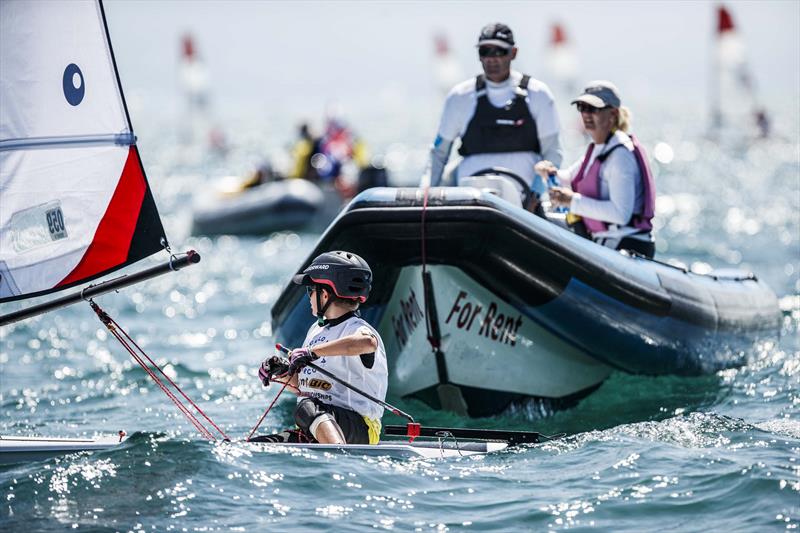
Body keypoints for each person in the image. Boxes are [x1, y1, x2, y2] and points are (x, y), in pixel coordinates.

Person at [423, 22, 563, 210]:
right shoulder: (459, 97)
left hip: (527, 204)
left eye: (499, 52)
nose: (492, 59)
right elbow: (439, 154)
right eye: (485, 51)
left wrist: (536, 195)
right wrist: (425, 195)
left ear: (513, 53)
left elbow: (552, 154)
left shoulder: (538, 94)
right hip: (469, 201)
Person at [256, 251, 388, 445]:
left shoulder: (358, 329)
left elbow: (367, 343)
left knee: (306, 407)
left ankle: (339, 456)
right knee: (261, 445)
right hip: (318, 423)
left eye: (310, 290)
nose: (309, 297)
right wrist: (282, 372)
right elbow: (305, 386)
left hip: (361, 428)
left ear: (324, 295)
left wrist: (312, 352)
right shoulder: (315, 331)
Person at [535, 81, 656, 258]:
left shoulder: (621, 156)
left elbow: (621, 214)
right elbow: (570, 177)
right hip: (604, 243)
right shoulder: (600, 148)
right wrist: (550, 172)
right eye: (582, 107)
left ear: (613, 114)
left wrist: (571, 201)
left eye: (594, 109)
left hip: (627, 247)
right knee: (539, 213)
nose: (586, 114)